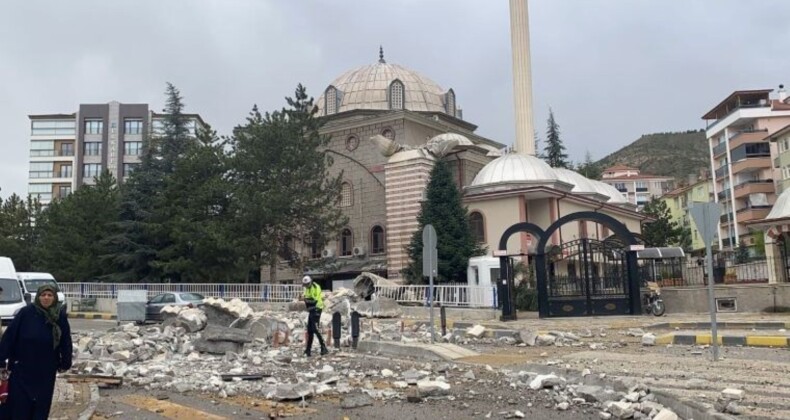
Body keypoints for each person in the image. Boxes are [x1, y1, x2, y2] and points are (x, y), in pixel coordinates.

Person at [0, 284, 72, 420]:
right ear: (38, 297)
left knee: (41, 404)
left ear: (55, 298)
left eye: (49, 295)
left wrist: (66, 362)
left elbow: (65, 341)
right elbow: (9, 337)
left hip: (46, 369)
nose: (46, 298)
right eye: (43, 295)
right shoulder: (25, 313)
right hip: (22, 368)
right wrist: (2, 359)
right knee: (20, 405)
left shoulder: (59, 317)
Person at [301, 275, 328, 357]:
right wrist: (308, 301)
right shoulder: (306, 288)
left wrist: (308, 301)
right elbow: (306, 299)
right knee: (309, 330)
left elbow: (314, 301)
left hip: (317, 309)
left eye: (307, 284)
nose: (306, 286)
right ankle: (308, 349)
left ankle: (323, 347)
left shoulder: (316, 287)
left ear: (311, 282)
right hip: (311, 310)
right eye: (305, 285)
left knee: (315, 328)